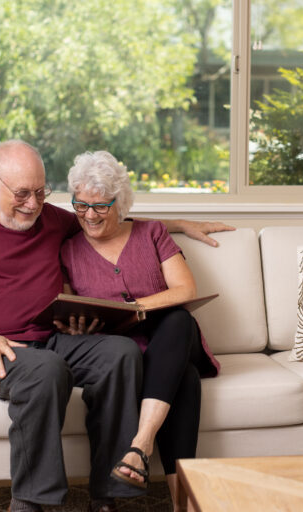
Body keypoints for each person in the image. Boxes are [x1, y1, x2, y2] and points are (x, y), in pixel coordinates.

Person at [0, 140, 233, 512]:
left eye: (40, 192)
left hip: (49, 339)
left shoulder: (51, 219)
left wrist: (179, 225)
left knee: (120, 352)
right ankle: (32, 503)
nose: (32, 204)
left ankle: (107, 495)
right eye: (22, 194)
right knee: (45, 371)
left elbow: (110, 220)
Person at [59, 151, 220, 511]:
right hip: (121, 354)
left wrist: (137, 309)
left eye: (100, 207)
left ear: (121, 203)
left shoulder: (151, 232)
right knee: (186, 379)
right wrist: (76, 324)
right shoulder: (69, 249)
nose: (89, 215)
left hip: (174, 340)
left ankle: (140, 444)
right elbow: (70, 304)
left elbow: (184, 290)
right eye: (80, 205)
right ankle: (183, 502)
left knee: (178, 320)